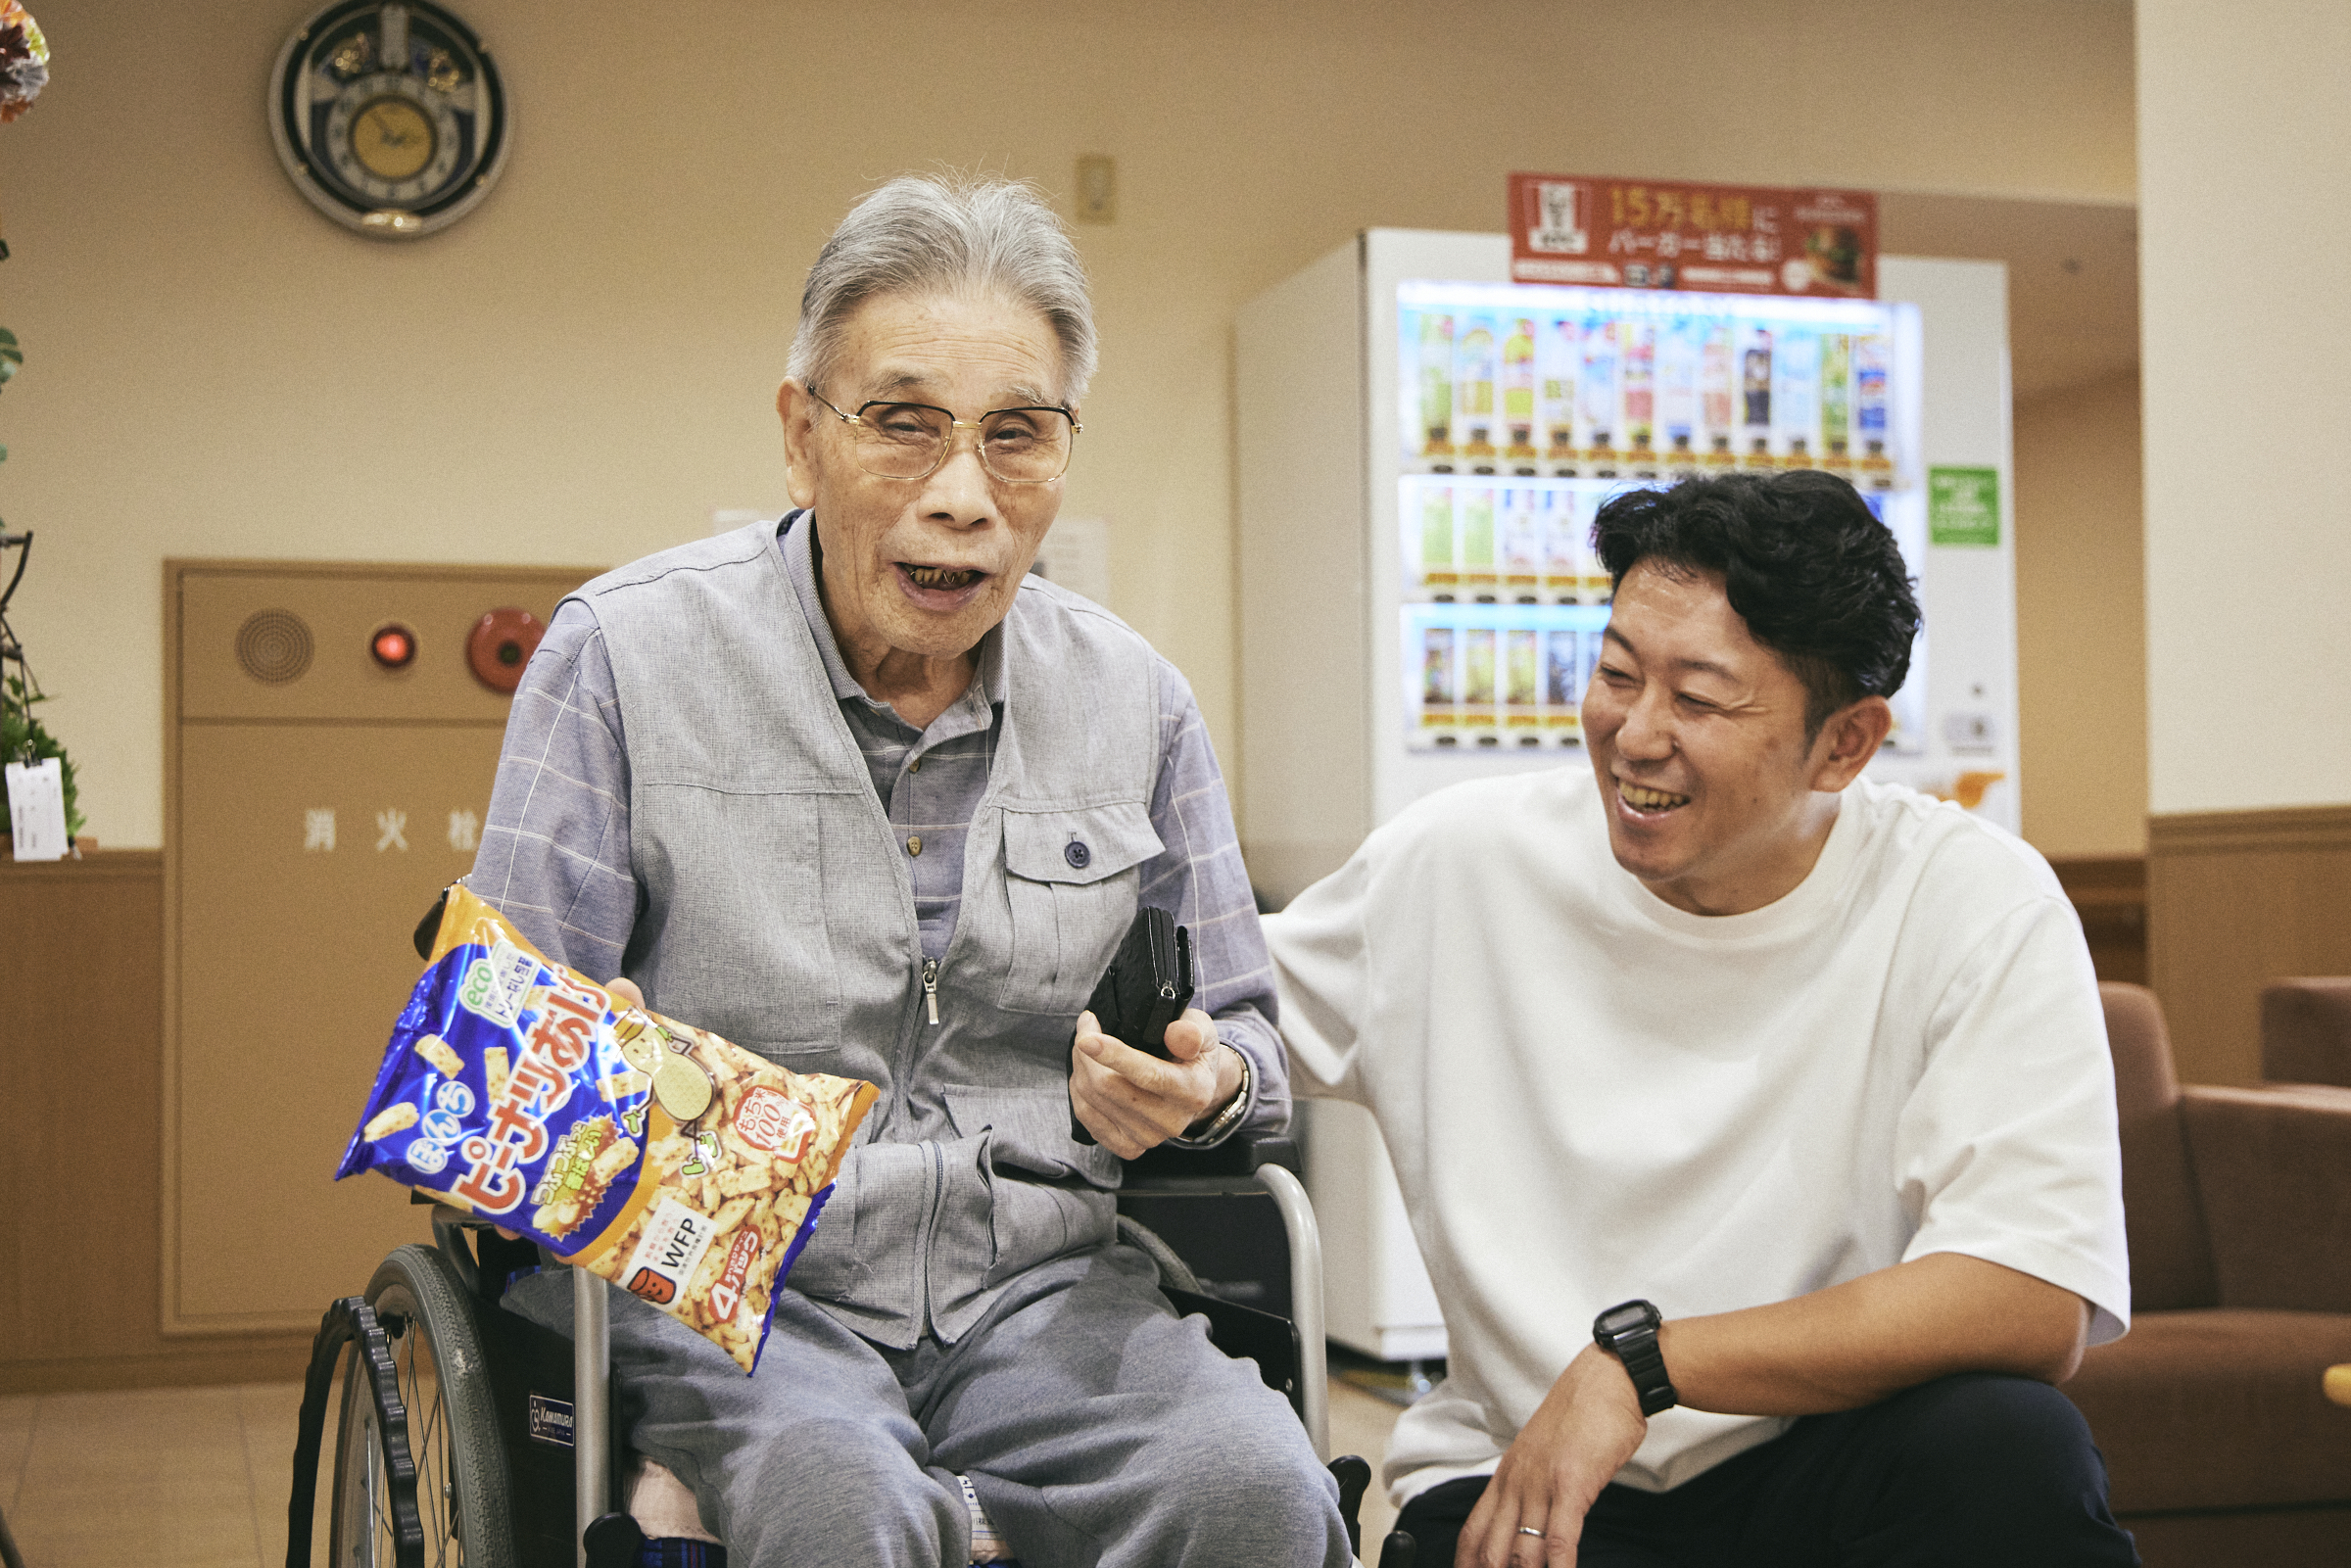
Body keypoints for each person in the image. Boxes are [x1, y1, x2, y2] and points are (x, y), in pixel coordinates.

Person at [467, 175, 1348, 1568]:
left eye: (1016, 436)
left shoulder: (1138, 701)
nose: (960, 498)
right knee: (841, 1510)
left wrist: (1206, 1086)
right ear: (800, 434)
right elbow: (502, 1063)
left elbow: (1253, 1046)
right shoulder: (624, 660)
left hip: (1049, 1296)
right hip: (738, 1295)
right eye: (901, 423)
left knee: (1260, 1491)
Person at [1266, 470, 2137, 1567]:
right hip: (1532, 1473)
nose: (1633, 734)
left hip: (1826, 1457)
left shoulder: (1972, 898)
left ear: (1846, 744)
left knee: (2014, 1447)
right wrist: (1171, 1064)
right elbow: (1226, 1029)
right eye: (1617, 672)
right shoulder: (1458, 861)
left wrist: (1645, 1362)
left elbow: (2030, 1295)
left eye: (1701, 698)